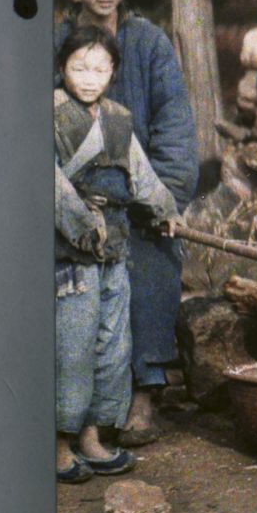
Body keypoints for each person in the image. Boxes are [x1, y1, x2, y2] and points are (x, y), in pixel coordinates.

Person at [55, 0, 200, 446]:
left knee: (156, 254)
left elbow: (175, 126)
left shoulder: (148, 43)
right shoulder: (56, 44)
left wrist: (166, 199)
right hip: (72, 203)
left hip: (140, 195)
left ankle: (145, 389)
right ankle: (77, 414)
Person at [54, 26, 181, 482]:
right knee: (74, 346)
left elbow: (140, 174)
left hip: (115, 245)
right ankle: (59, 444)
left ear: (113, 72)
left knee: (113, 344)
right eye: (79, 68)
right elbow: (50, 183)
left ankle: (93, 435)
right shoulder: (50, 114)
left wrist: (165, 208)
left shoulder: (118, 118)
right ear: (62, 68)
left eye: (99, 69)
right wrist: (82, 226)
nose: (89, 78)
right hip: (73, 252)